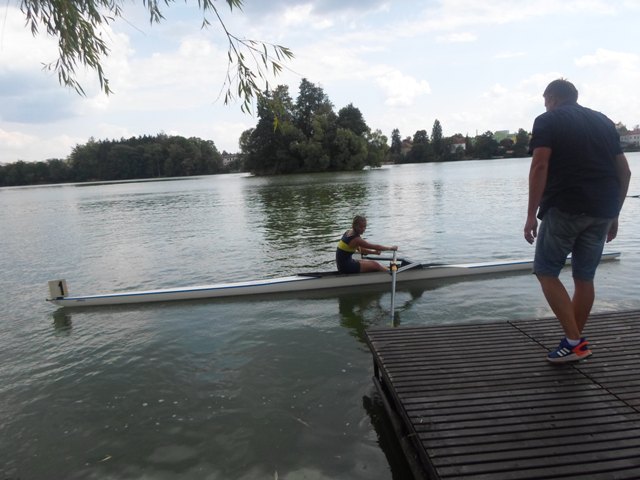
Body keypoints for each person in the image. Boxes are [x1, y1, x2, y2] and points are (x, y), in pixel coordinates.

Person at [524, 78, 631, 363]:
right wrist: (615, 214)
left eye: (545, 100)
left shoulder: (548, 120)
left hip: (566, 207)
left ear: (552, 97)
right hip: (603, 210)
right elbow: (625, 172)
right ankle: (573, 342)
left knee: (546, 271)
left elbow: (540, 165)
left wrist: (530, 215)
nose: (545, 105)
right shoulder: (604, 122)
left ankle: (574, 342)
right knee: (584, 277)